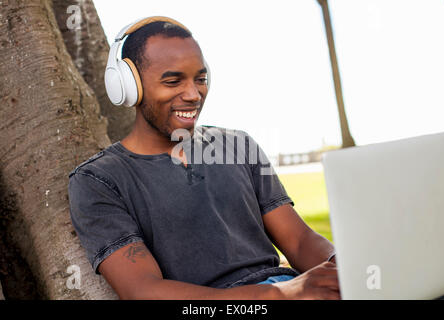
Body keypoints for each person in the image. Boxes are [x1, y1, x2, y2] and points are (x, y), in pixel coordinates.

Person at [68, 16, 340, 300]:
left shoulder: (239, 145)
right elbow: (144, 292)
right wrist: (278, 294)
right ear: (128, 86)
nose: (194, 94)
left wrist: (340, 267)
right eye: (173, 81)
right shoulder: (98, 180)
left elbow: (299, 240)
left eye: (201, 79)